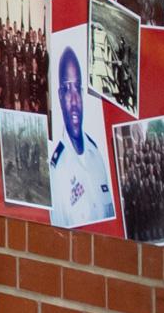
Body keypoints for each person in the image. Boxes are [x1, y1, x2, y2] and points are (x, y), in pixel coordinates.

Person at [48, 44, 115, 228]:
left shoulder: (97, 155)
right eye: (67, 89)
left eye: (77, 88)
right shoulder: (57, 171)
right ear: (60, 97)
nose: (74, 99)